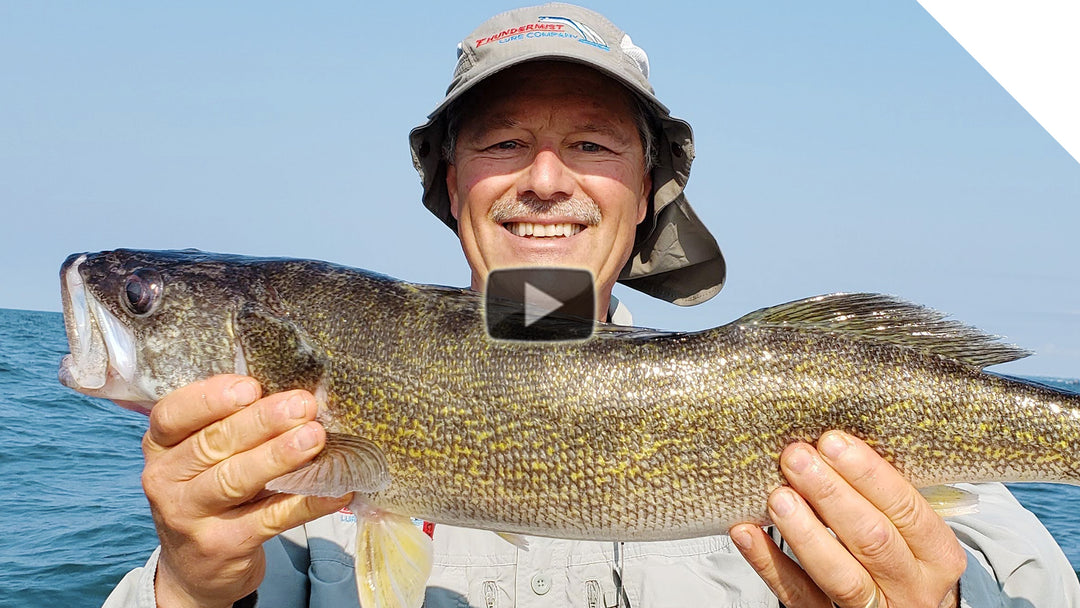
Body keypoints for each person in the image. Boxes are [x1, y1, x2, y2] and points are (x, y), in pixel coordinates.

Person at [104, 4, 1080, 608]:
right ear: (452, 187)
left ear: (651, 193)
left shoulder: (893, 453)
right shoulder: (287, 499)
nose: (543, 178)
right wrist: (190, 585)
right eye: (500, 142)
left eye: (593, 145)